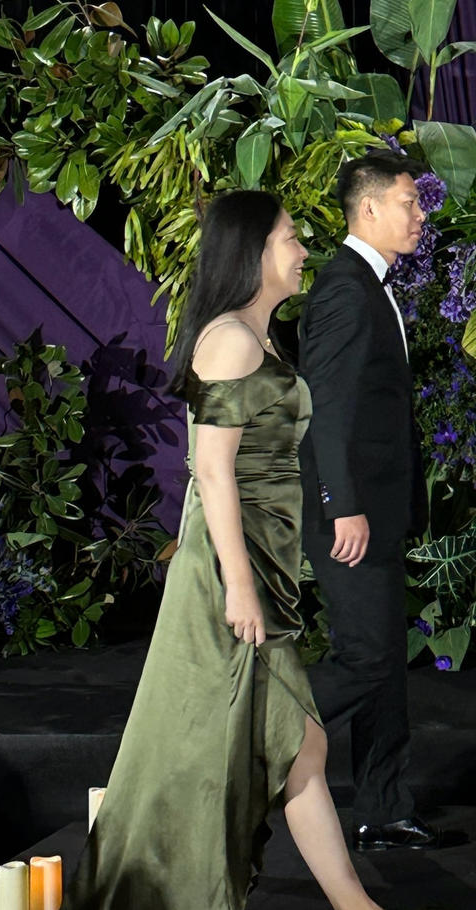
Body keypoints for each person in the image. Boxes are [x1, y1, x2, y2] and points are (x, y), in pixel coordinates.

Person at [65, 191, 383, 909]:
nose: (303, 251)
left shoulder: (255, 337)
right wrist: (238, 586)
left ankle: (345, 902)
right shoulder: (232, 340)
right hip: (230, 572)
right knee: (289, 741)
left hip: (258, 562)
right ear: (253, 252)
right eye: (291, 239)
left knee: (293, 743)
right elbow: (210, 470)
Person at [299, 151, 439, 850]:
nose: (421, 215)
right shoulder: (346, 290)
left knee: (384, 666)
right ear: (371, 208)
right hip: (349, 516)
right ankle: (256, 736)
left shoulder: (369, 284)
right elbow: (324, 411)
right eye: (411, 202)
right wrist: (341, 504)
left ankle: (383, 809)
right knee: (368, 659)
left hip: (376, 510)